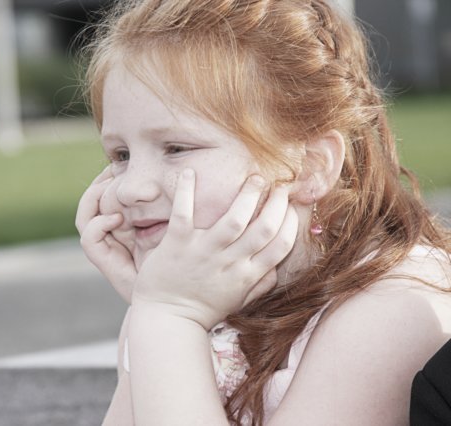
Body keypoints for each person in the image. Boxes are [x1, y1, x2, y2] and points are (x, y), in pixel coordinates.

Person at [74, 0, 451, 424]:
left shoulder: (390, 309)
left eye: (176, 148)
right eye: (121, 155)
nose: (130, 189)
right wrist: (155, 311)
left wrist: (168, 319)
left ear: (310, 166)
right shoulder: (175, 301)